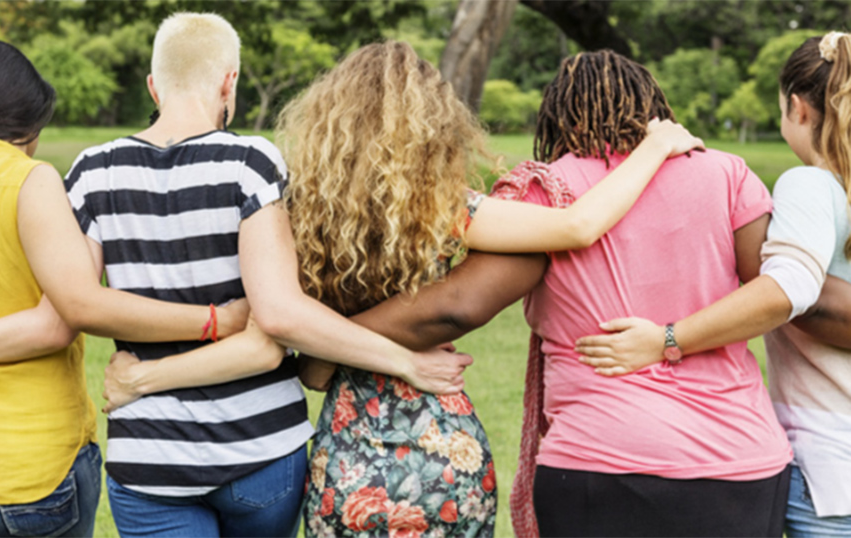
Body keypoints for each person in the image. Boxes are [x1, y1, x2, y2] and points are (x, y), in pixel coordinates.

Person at [101, 40, 702, 538]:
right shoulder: (444, 209)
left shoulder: (297, 214)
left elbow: (302, 356)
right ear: (433, 123)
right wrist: (653, 146)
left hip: (348, 456)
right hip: (443, 448)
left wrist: (323, 355)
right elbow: (576, 226)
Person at [576, 32, 851, 537]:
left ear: (797, 107)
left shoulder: (811, 184)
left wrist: (667, 339)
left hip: (832, 470)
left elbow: (790, 287)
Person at [0, 39, 253, 538]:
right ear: (29, 124)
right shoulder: (27, 180)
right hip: (25, 467)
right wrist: (217, 320)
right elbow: (63, 317)